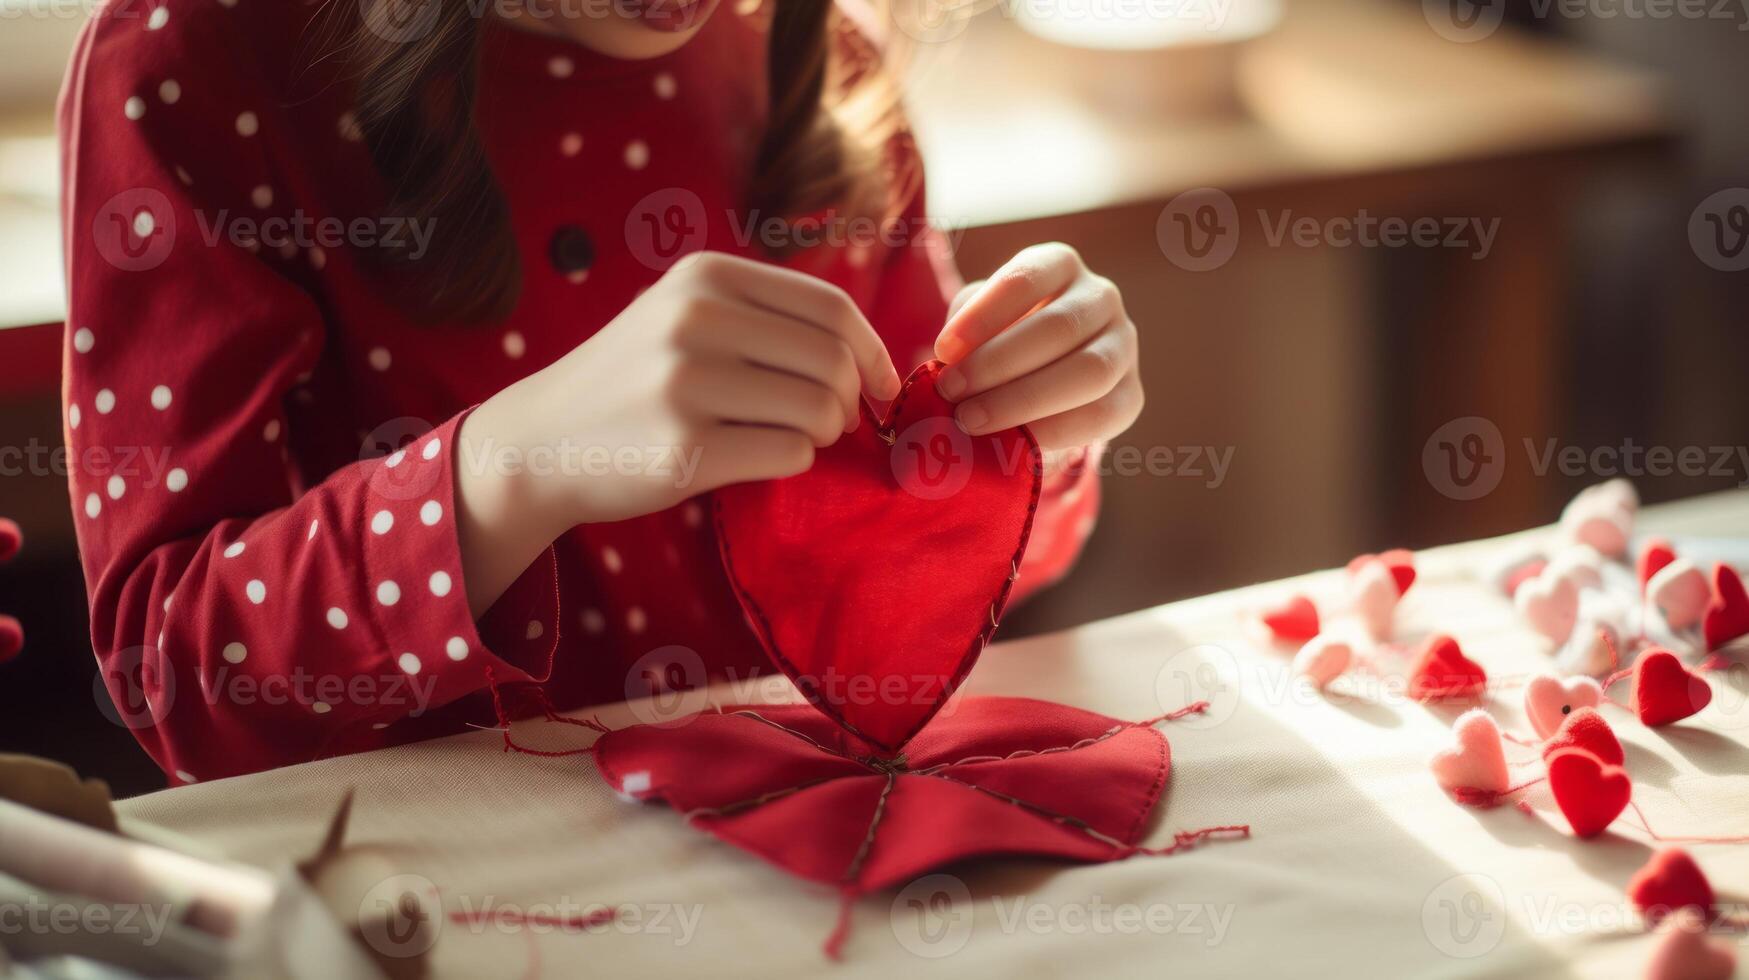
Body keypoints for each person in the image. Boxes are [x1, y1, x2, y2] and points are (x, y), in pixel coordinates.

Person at [59, 0, 1143, 782]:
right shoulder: (201, 56)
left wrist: (1029, 435)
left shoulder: (817, 57)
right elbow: (179, 677)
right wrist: (514, 464)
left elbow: (940, 561)